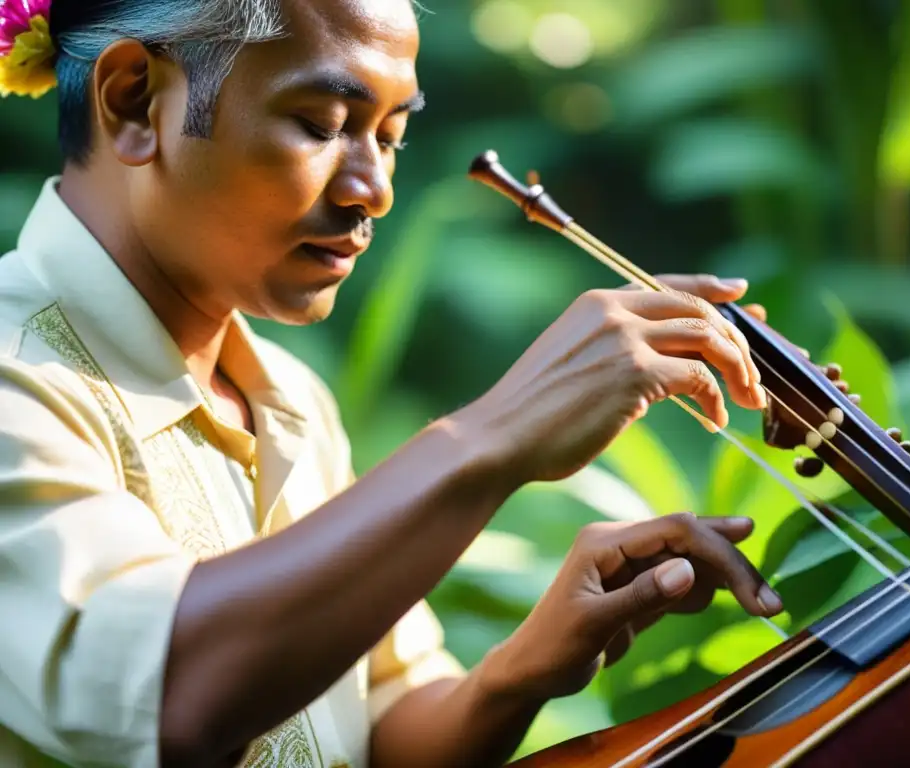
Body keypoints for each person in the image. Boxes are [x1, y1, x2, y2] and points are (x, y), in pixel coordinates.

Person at [0, 0, 783, 766]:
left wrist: (521, 671)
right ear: (135, 101)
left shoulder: (292, 399)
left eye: (392, 136)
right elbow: (164, 699)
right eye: (322, 125)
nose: (372, 190)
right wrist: (494, 436)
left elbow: (388, 731)